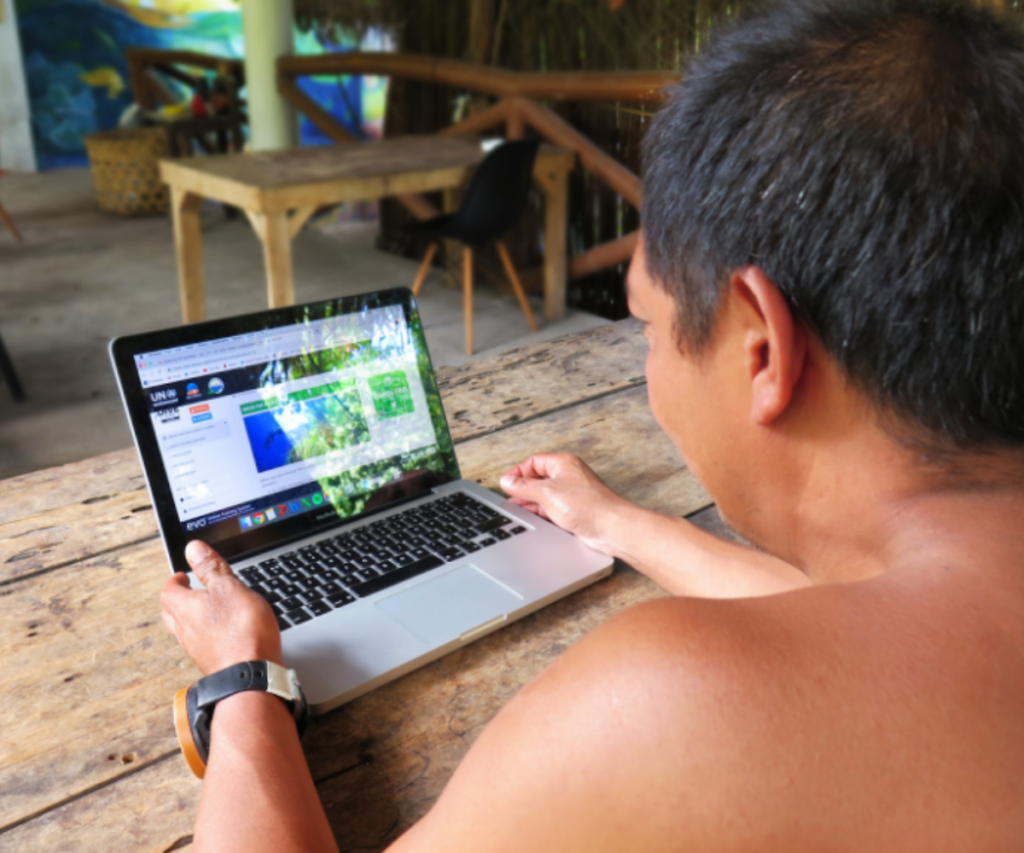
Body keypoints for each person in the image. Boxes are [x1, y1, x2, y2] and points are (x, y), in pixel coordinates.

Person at [159, 0, 1024, 849]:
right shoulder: (950, 613)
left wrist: (245, 681)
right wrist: (614, 521)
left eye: (646, 325)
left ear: (761, 349)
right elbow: (849, 624)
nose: (648, 356)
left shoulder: (669, 705)